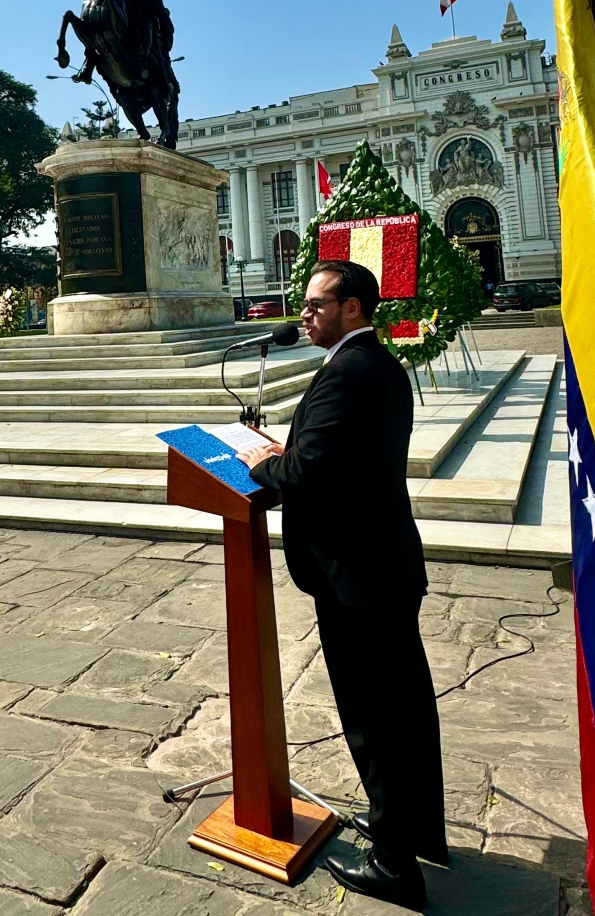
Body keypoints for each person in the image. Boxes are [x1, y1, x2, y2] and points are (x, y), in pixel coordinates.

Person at [236, 259, 446, 910]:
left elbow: (310, 475)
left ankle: (393, 863)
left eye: (315, 304)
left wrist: (269, 461)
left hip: (358, 576)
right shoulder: (375, 366)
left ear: (352, 307)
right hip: (380, 565)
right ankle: (408, 831)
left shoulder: (348, 373)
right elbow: (335, 458)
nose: (302, 314)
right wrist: (288, 454)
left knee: (375, 719)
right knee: (402, 712)